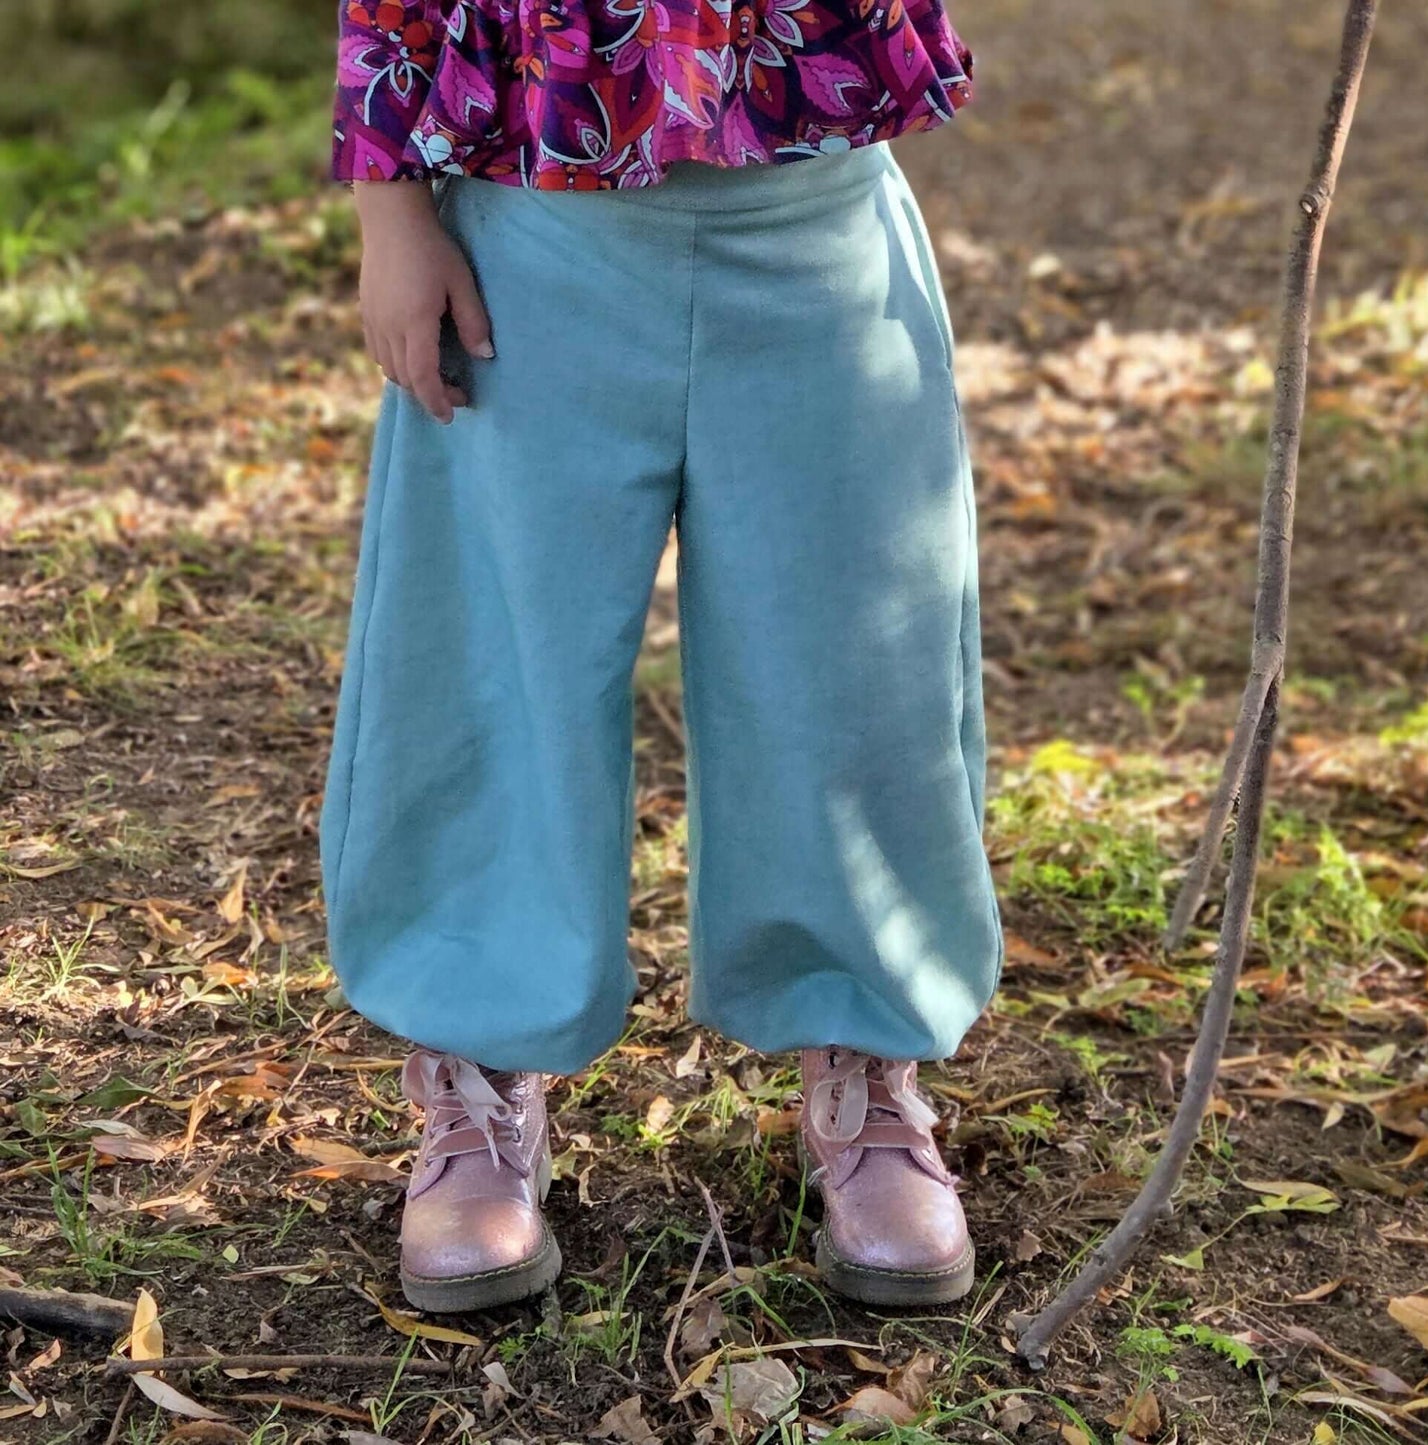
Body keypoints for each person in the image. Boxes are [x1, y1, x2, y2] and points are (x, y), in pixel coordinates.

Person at [321, 0, 1004, 1313]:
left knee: (855, 663)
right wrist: (391, 206)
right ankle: (479, 1057)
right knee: (492, 660)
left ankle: (864, 1058)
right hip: (529, 227)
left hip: (815, 219)